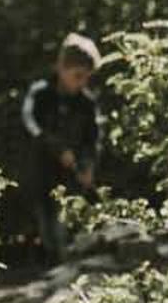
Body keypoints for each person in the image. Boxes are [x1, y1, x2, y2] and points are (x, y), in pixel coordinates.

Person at [16, 33, 104, 259]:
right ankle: (53, 266)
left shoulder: (86, 103)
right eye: (77, 76)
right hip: (40, 173)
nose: (82, 83)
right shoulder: (40, 94)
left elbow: (93, 138)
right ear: (61, 69)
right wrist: (57, 149)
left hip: (70, 179)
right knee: (46, 229)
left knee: (64, 225)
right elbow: (30, 124)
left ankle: (66, 271)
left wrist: (88, 165)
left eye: (86, 77)